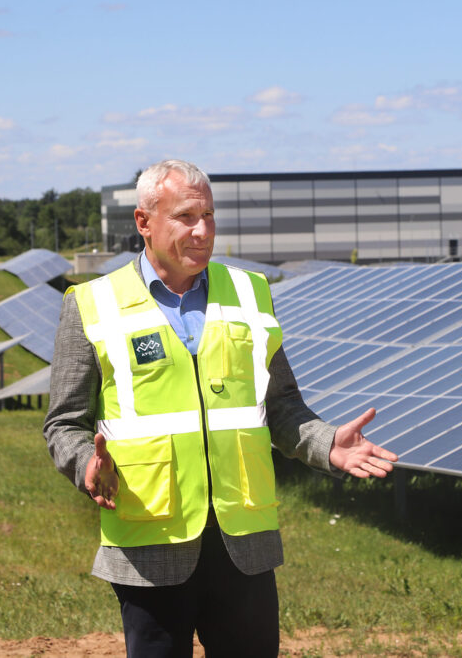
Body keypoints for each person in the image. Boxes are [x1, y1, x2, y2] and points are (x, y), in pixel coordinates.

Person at [43, 159, 398, 657]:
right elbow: (63, 423)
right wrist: (87, 465)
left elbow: (282, 406)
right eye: (186, 217)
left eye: (208, 216)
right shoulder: (91, 305)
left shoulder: (251, 295)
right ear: (144, 222)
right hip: (150, 540)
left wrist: (325, 443)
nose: (202, 231)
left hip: (244, 544)